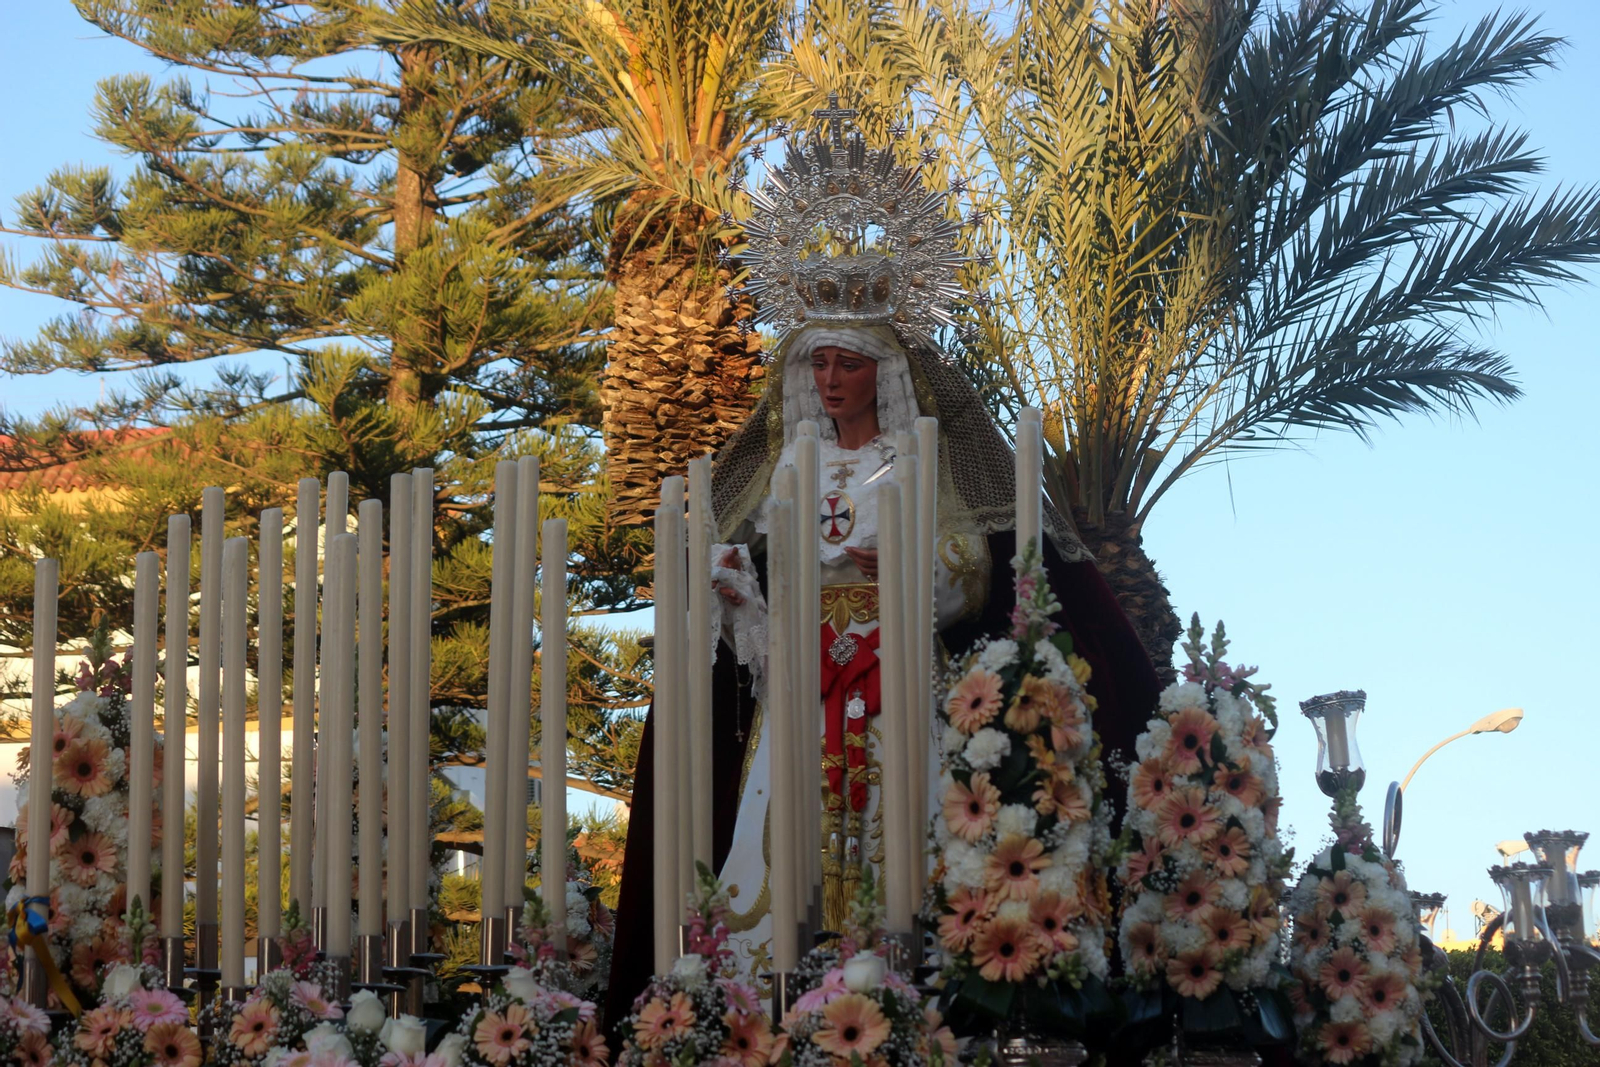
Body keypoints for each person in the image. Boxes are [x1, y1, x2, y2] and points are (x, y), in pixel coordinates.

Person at [602, 321, 1162, 1027]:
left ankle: (907, 990)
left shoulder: (916, 459)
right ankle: (774, 1004)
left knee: (897, 814)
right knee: (788, 819)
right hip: (805, 677)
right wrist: (737, 583)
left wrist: (908, 563)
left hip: (893, 662)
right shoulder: (791, 468)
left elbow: (970, 564)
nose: (830, 380)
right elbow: (767, 595)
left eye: (848, 365)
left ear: (886, 374)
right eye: (820, 365)